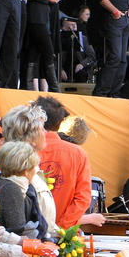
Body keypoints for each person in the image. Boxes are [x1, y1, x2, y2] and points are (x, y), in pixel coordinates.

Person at [34, 96, 92, 229]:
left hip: (28, 234)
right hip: (62, 234)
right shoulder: (78, 154)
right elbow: (83, 198)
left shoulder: (24, 149)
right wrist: (61, 228)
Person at [93, 0, 129, 97]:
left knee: (123, 59)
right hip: (114, 18)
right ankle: (100, 92)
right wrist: (114, 11)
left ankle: (114, 93)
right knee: (115, 56)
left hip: (124, 18)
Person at [60, 17, 97, 83]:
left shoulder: (83, 39)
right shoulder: (59, 40)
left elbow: (92, 56)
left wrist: (82, 64)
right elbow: (53, 58)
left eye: (75, 25)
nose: (74, 26)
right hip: (63, 66)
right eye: (71, 25)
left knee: (82, 74)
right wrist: (60, 69)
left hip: (78, 65)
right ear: (64, 28)